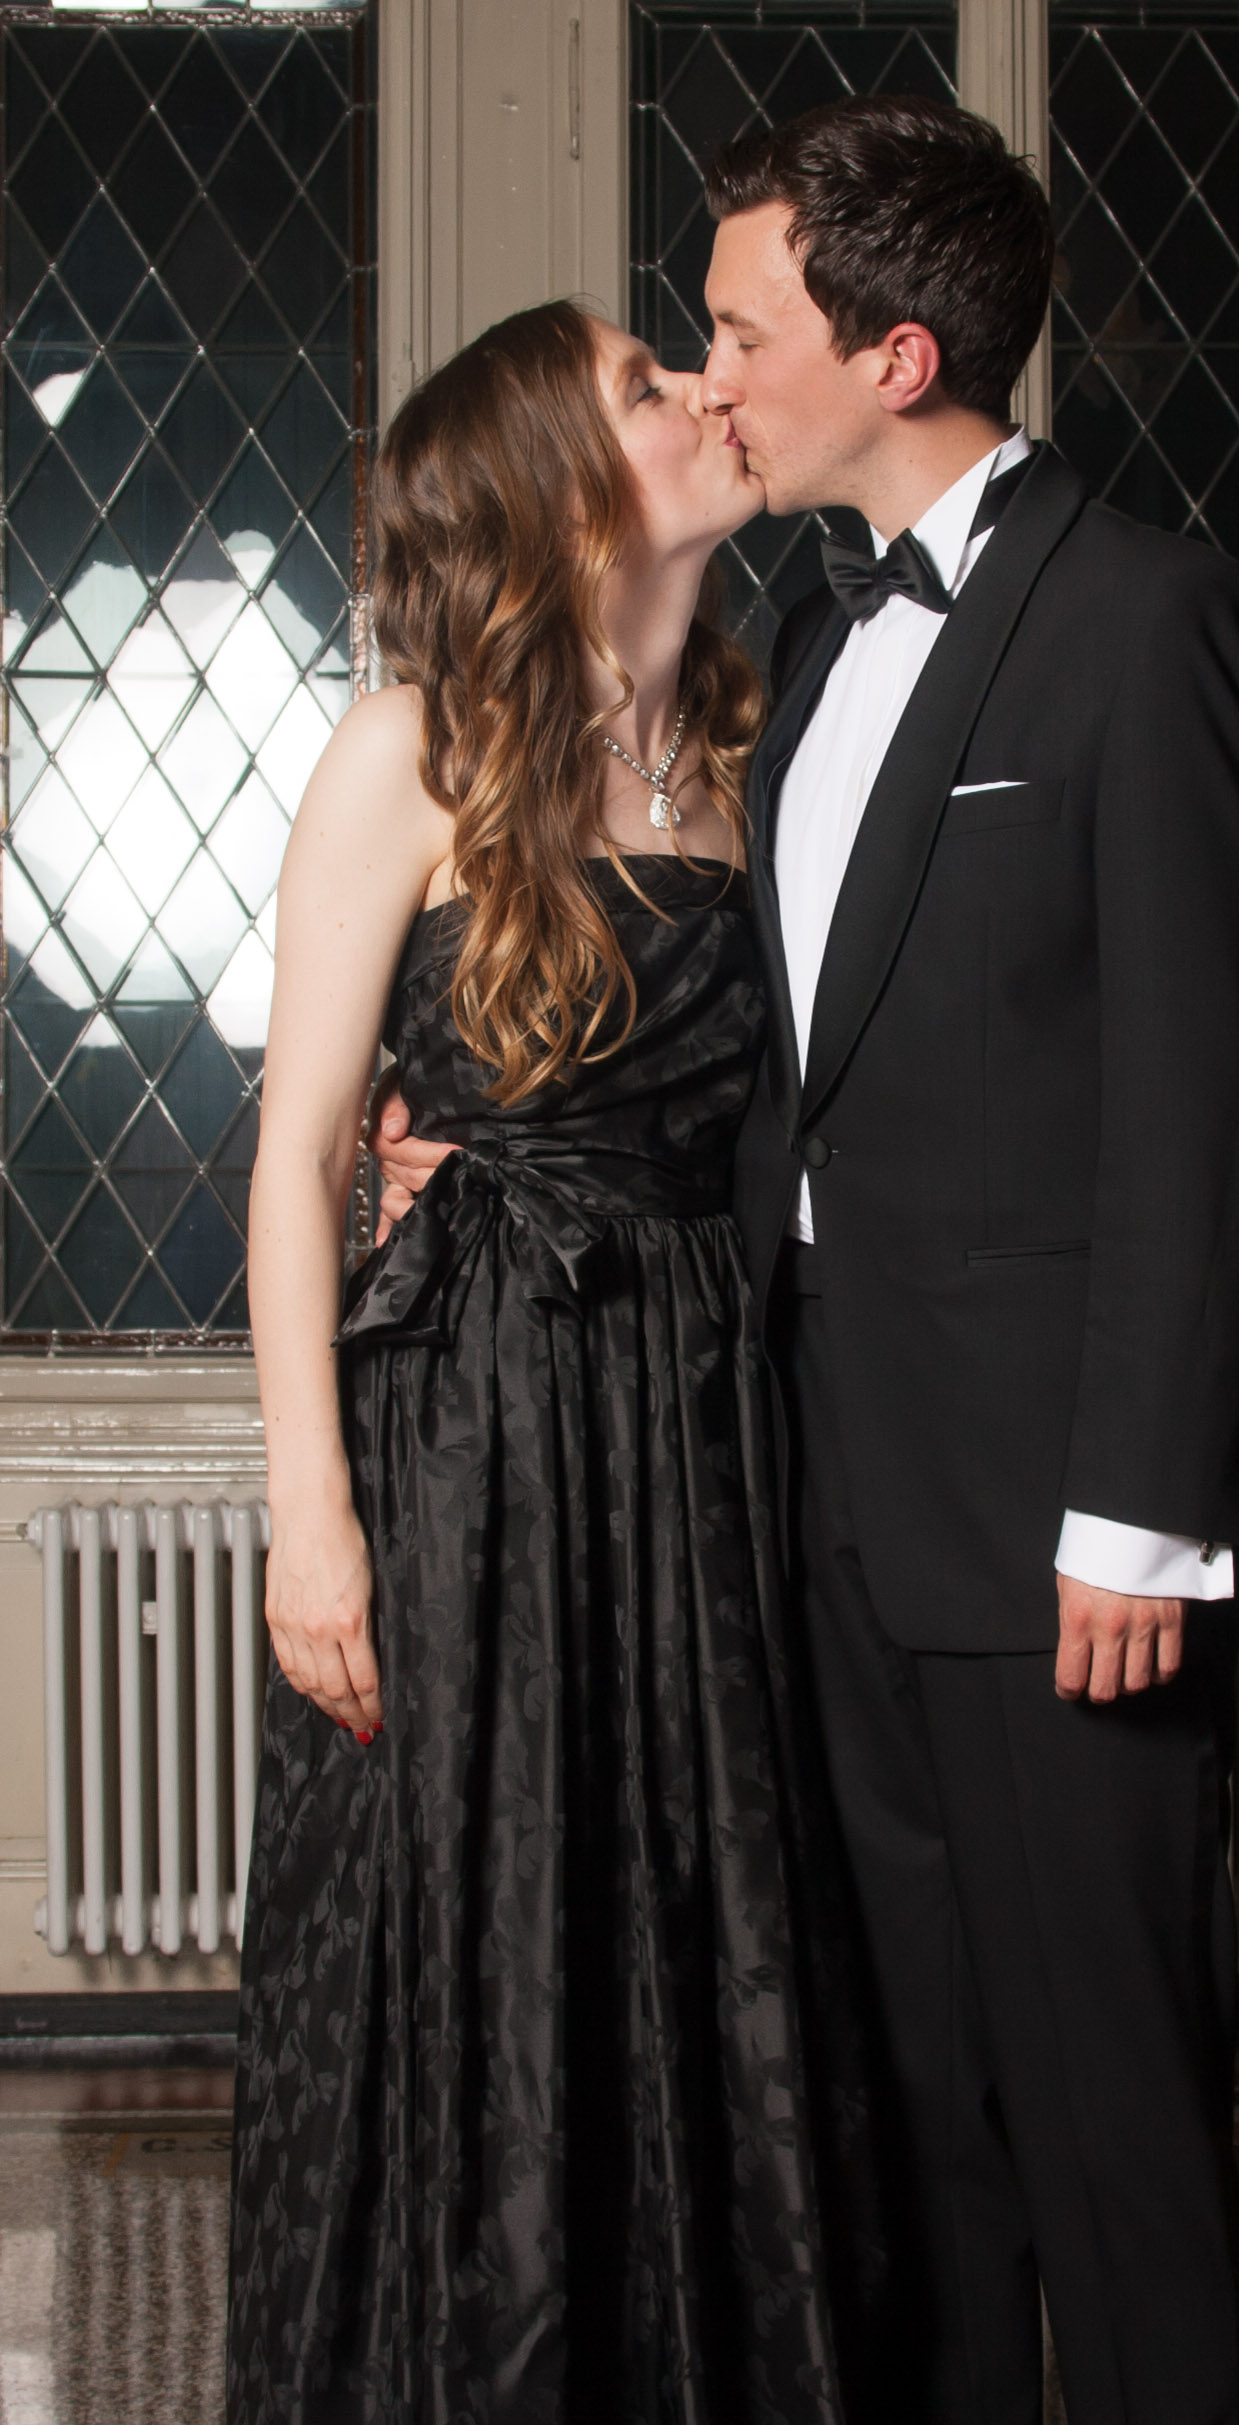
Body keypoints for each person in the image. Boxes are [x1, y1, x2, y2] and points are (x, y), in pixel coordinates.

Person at [377, 95, 1239, 2425]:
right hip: (804, 1506)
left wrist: (1139, 1516)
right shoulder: (785, 647)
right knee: (911, 2141)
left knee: (1111, 2129)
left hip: (1053, 1533)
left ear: (892, 358)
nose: (710, 377)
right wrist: (482, 1143)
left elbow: (1202, 1107)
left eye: (736, 329)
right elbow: (772, 1057)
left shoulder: (1144, 616)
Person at [230, 298, 879, 2423]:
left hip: (706, 1422)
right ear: (558, 490)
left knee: (703, 1935)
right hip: (477, 1431)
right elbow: (298, 1155)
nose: (701, 390)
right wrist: (311, 1521)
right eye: (642, 383)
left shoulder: (761, 753)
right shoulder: (409, 754)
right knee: (486, 1939)